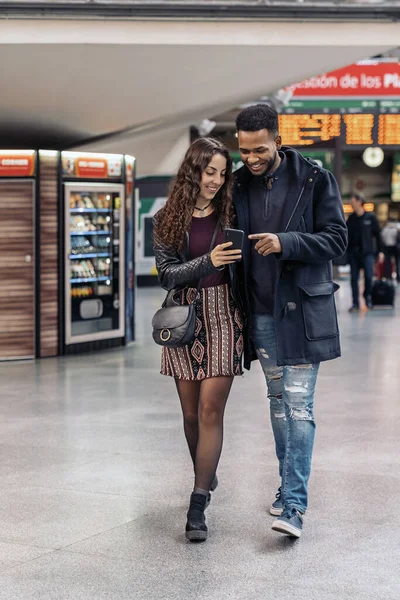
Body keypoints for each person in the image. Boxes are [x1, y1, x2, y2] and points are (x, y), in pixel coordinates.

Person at [232, 104, 347, 538]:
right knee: (279, 405)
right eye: (244, 151)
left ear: (278, 140)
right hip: (260, 314)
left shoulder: (316, 179)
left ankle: (295, 506)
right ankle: (286, 487)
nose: (252, 158)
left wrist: (286, 242)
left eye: (259, 149)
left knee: (299, 407)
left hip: (301, 313)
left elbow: (337, 239)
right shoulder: (239, 184)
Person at [153, 137, 244, 543]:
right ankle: (206, 474)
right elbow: (167, 274)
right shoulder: (166, 218)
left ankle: (198, 499)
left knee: (210, 411)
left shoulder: (233, 210)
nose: (217, 180)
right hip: (185, 317)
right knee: (190, 416)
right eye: (210, 172)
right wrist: (209, 261)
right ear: (194, 170)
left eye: (223, 174)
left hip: (225, 314)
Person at [346, 194, 384, 311]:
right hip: (353, 253)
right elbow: (346, 236)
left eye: (352, 201)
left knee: (368, 276)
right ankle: (355, 303)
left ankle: (368, 297)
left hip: (367, 253)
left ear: (359, 201)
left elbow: (378, 235)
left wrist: (380, 252)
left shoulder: (370, 217)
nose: (351, 203)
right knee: (353, 279)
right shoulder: (351, 219)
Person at [381, 217, 400, 283]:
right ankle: (398, 277)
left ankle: (388, 276)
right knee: (397, 263)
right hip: (395, 247)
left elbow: (382, 238)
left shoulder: (385, 229)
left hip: (388, 247)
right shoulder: (397, 228)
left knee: (388, 263)